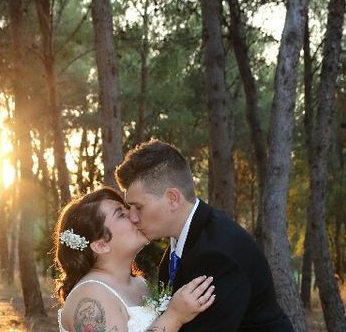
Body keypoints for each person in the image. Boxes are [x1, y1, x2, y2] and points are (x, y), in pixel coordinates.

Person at [116, 140, 295, 332]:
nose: (132, 217)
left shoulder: (218, 255)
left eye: (138, 207)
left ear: (172, 199)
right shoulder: (182, 244)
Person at [54, 187, 216, 332]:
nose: (134, 215)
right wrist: (174, 316)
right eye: (121, 214)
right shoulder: (90, 296)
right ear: (101, 245)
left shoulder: (140, 283)